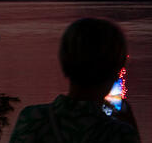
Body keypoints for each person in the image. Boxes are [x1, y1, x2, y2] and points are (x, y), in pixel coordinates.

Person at [10, 18, 140, 143]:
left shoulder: (32, 120)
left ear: (64, 63)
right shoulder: (119, 134)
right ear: (116, 71)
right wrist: (130, 130)